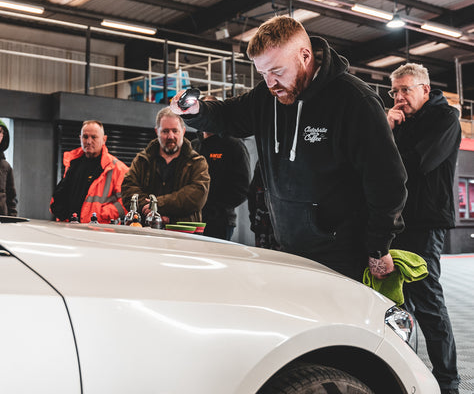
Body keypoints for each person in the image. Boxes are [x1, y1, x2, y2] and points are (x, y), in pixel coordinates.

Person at [171, 15, 406, 281]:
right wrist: (196, 111)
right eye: (263, 73)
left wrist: (378, 247)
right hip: (287, 244)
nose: (270, 83)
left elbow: (387, 180)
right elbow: (228, 115)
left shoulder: (354, 101)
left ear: (305, 56)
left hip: (342, 253)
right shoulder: (267, 97)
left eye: (277, 71)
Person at [387, 62, 463, 394]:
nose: (399, 97)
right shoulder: (398, 124)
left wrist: (388, 138)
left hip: (424, 224)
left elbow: (415, 163)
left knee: (429, 305)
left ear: (425, 90)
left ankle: (449, 386)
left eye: (406, 89)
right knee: (396, 306)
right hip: (393, 223)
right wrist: (386, 128)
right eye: (394, 91)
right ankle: (404, 378)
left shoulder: (444, 119)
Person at [121, 107, 209, 224]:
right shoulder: (142, 160)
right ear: (157, 131)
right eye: (165, 131)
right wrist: (152, 213)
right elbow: (128, 191)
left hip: (183, 233)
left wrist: (157, 205)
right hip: (147, 232)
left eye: (175, 130)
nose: (170, 136)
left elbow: (197, 196)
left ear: (183, 131)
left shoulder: (197, 162)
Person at [192, 95, 250, 240]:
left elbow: (242, 188)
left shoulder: (233, 145)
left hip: (219, 222)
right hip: (191, 220)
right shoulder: (193, 145)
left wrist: (216, 208)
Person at [50, 120, 128, 223]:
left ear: (104, 139)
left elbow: (126, 202)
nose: (89, 141)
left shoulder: (118, 168)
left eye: (94, 137)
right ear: (80, 138)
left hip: (100, 231)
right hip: (70, 228)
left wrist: (100, 214)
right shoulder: (73, 163)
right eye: (85, 137)